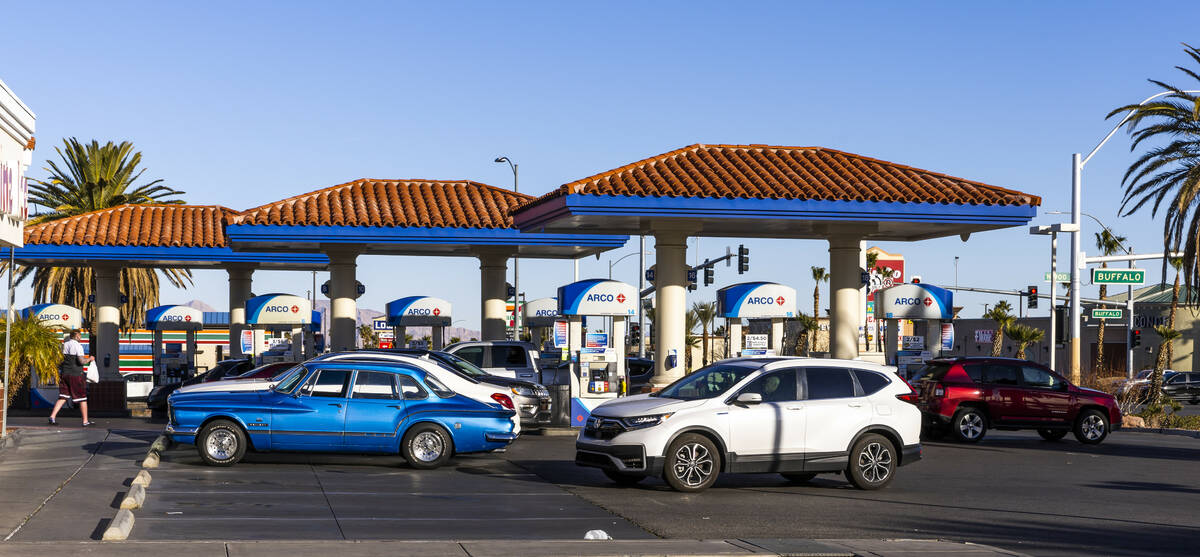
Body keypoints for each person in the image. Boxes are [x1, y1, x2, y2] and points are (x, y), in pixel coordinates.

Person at [49, 329, 94, 426]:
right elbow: (81, 362)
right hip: (76, 375)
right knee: (82, 398)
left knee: (63, 396)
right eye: (80, 336)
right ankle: (85, 421)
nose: (81, 337)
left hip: (64, 374)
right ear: (77, 336)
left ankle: (52, 417)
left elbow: (59, 360)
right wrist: (90, 359)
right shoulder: (78, 346)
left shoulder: (64, 345)